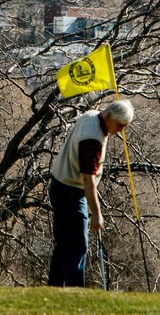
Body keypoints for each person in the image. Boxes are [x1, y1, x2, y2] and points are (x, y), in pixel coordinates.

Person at [47, 98, 134, 287]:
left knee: (63, 244)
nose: (121, 131)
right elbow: (88, 179)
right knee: (78, 245)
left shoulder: (91, 115)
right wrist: (96, 214)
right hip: (72, 192)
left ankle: (53, 289)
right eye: (120, 125)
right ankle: (76, 293)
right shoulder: (92, 140)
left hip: (58, 185)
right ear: (110, 116)